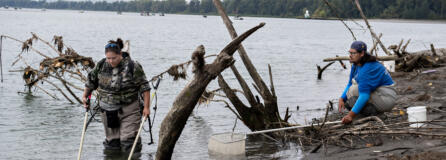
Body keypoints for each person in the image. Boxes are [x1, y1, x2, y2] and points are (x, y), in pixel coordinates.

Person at [82, 38, 151, 152]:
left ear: (120, 55)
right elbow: (91, 82)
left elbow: (145, 87)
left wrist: (147, 107)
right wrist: (85, 96)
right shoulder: (101, 65)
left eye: (114, 58)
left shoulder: (132, 66)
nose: (111, 61)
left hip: (129, 109)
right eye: (108, 58)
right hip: (107, 110)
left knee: (129, 142)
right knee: (112, 143)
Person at [338, 41, 397, 124]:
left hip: (387, 97)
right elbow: (349, 83)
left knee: (354, 91)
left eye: (353, 53)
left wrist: (350, 116)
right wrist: (341, 99)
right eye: (350, 52)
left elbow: (364, 96)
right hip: (379, 94)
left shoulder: (367, 68)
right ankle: (363, 116)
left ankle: (377, 116)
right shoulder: (356, 65)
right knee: (350, 92)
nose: (350, 56)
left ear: (362, 53)